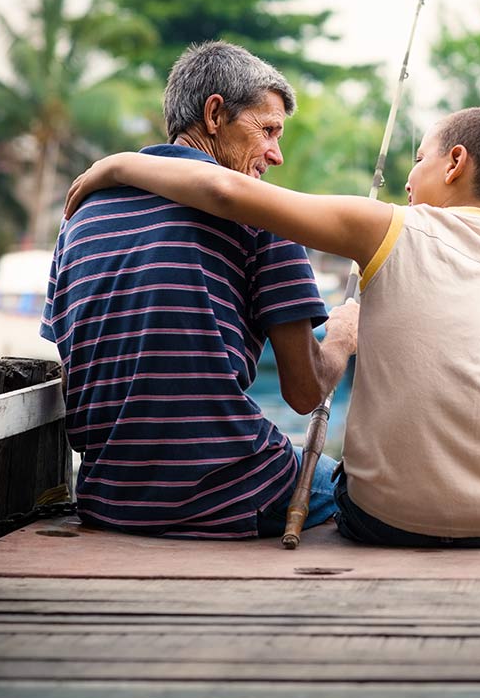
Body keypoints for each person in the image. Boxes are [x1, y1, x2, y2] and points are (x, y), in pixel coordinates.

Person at [64, 106, 480, 547]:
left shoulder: (387, 226)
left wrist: (116, 167)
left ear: (454, 162)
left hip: (379, 519)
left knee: (342, 472)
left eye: (419, 159)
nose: (408, 177)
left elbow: (230, 194)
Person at [42, 41, 359, 539]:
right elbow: (303, 392)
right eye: (268, 130)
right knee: (359, 490)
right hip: (235, 490)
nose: (276, 155)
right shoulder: (263, 212)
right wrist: (343, 333)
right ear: (215, 114)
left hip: (107, 499)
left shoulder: (80, 216)